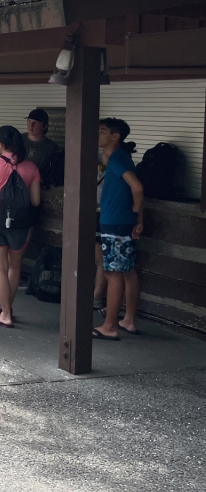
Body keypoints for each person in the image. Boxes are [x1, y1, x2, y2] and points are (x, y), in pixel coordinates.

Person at [0, 126, 42, 329]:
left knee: (0, 268)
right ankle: (7, 309)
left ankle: (5, 314)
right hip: (20, 223)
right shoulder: (31, 167)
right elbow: (35, 200)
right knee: (15, 267)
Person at [94, 118, 144, 340]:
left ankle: (110, 326)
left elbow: (137, 187)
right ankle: (128, 320)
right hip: (122, 221)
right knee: (127, 272)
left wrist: (134, 209)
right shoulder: (120, 157)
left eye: (102, 131)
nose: (98, 135)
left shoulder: (116, 158)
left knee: (112, 273)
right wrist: (137, 216)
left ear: (115, 136)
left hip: (115, 221)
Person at [24, 109, 61, 180]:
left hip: (39, 184)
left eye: (36, 123)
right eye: (29, 121)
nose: (31, 125)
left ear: (44, 126)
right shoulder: (18, 139)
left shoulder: (51, 147)